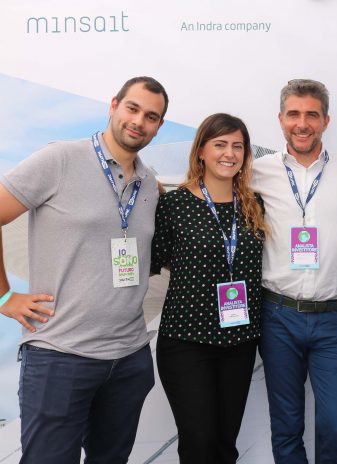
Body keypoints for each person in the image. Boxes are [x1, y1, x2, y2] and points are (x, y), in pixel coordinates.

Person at [0, 76, 167, 463]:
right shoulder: (60, 159)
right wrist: (4, 296)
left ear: (159, 126)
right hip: (61, 356)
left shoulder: (149, 184)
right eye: (133, 108)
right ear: (113, 105)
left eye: (151, 116)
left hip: (129, 358)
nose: (139, 121)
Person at [252, 79, 337, 463]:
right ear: (280, 119)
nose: (302, 124)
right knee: (286, 426)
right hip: (277, 316)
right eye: (293, 114)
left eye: (312, 115)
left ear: (325, 121)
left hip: (332, 318)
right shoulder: (256, 171)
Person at [151, 113, 266, 463]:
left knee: (224, 445)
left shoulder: (254, 205)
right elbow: (154, 262)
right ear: (201, 150)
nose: (229, 153)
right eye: (220, 145)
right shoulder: (173, 205)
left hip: (239, 340)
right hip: (186, 341)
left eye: (237, 146)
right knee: (198, 444)